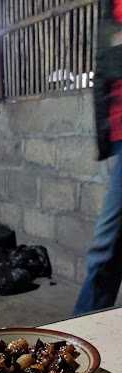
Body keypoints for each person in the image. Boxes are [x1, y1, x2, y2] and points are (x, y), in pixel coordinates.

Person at [74, 0, 122, 314]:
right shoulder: (110, 8)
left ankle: (75, 346)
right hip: (119, 136)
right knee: (112, 251)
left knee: (105, 250)